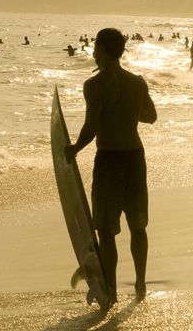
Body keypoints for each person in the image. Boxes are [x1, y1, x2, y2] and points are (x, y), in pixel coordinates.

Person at [64, 28, 157, 306]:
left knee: (105, 231)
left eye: (95, 45)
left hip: (109, 161)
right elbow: (150, 116)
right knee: (137, 226)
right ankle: (140, 285)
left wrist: (74, 149)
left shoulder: (94, 85)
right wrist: (127, 110)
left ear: (103, 49)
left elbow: (92, 126)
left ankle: (113, 292)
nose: (93, 50)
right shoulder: (137, 82)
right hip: (135, 158)